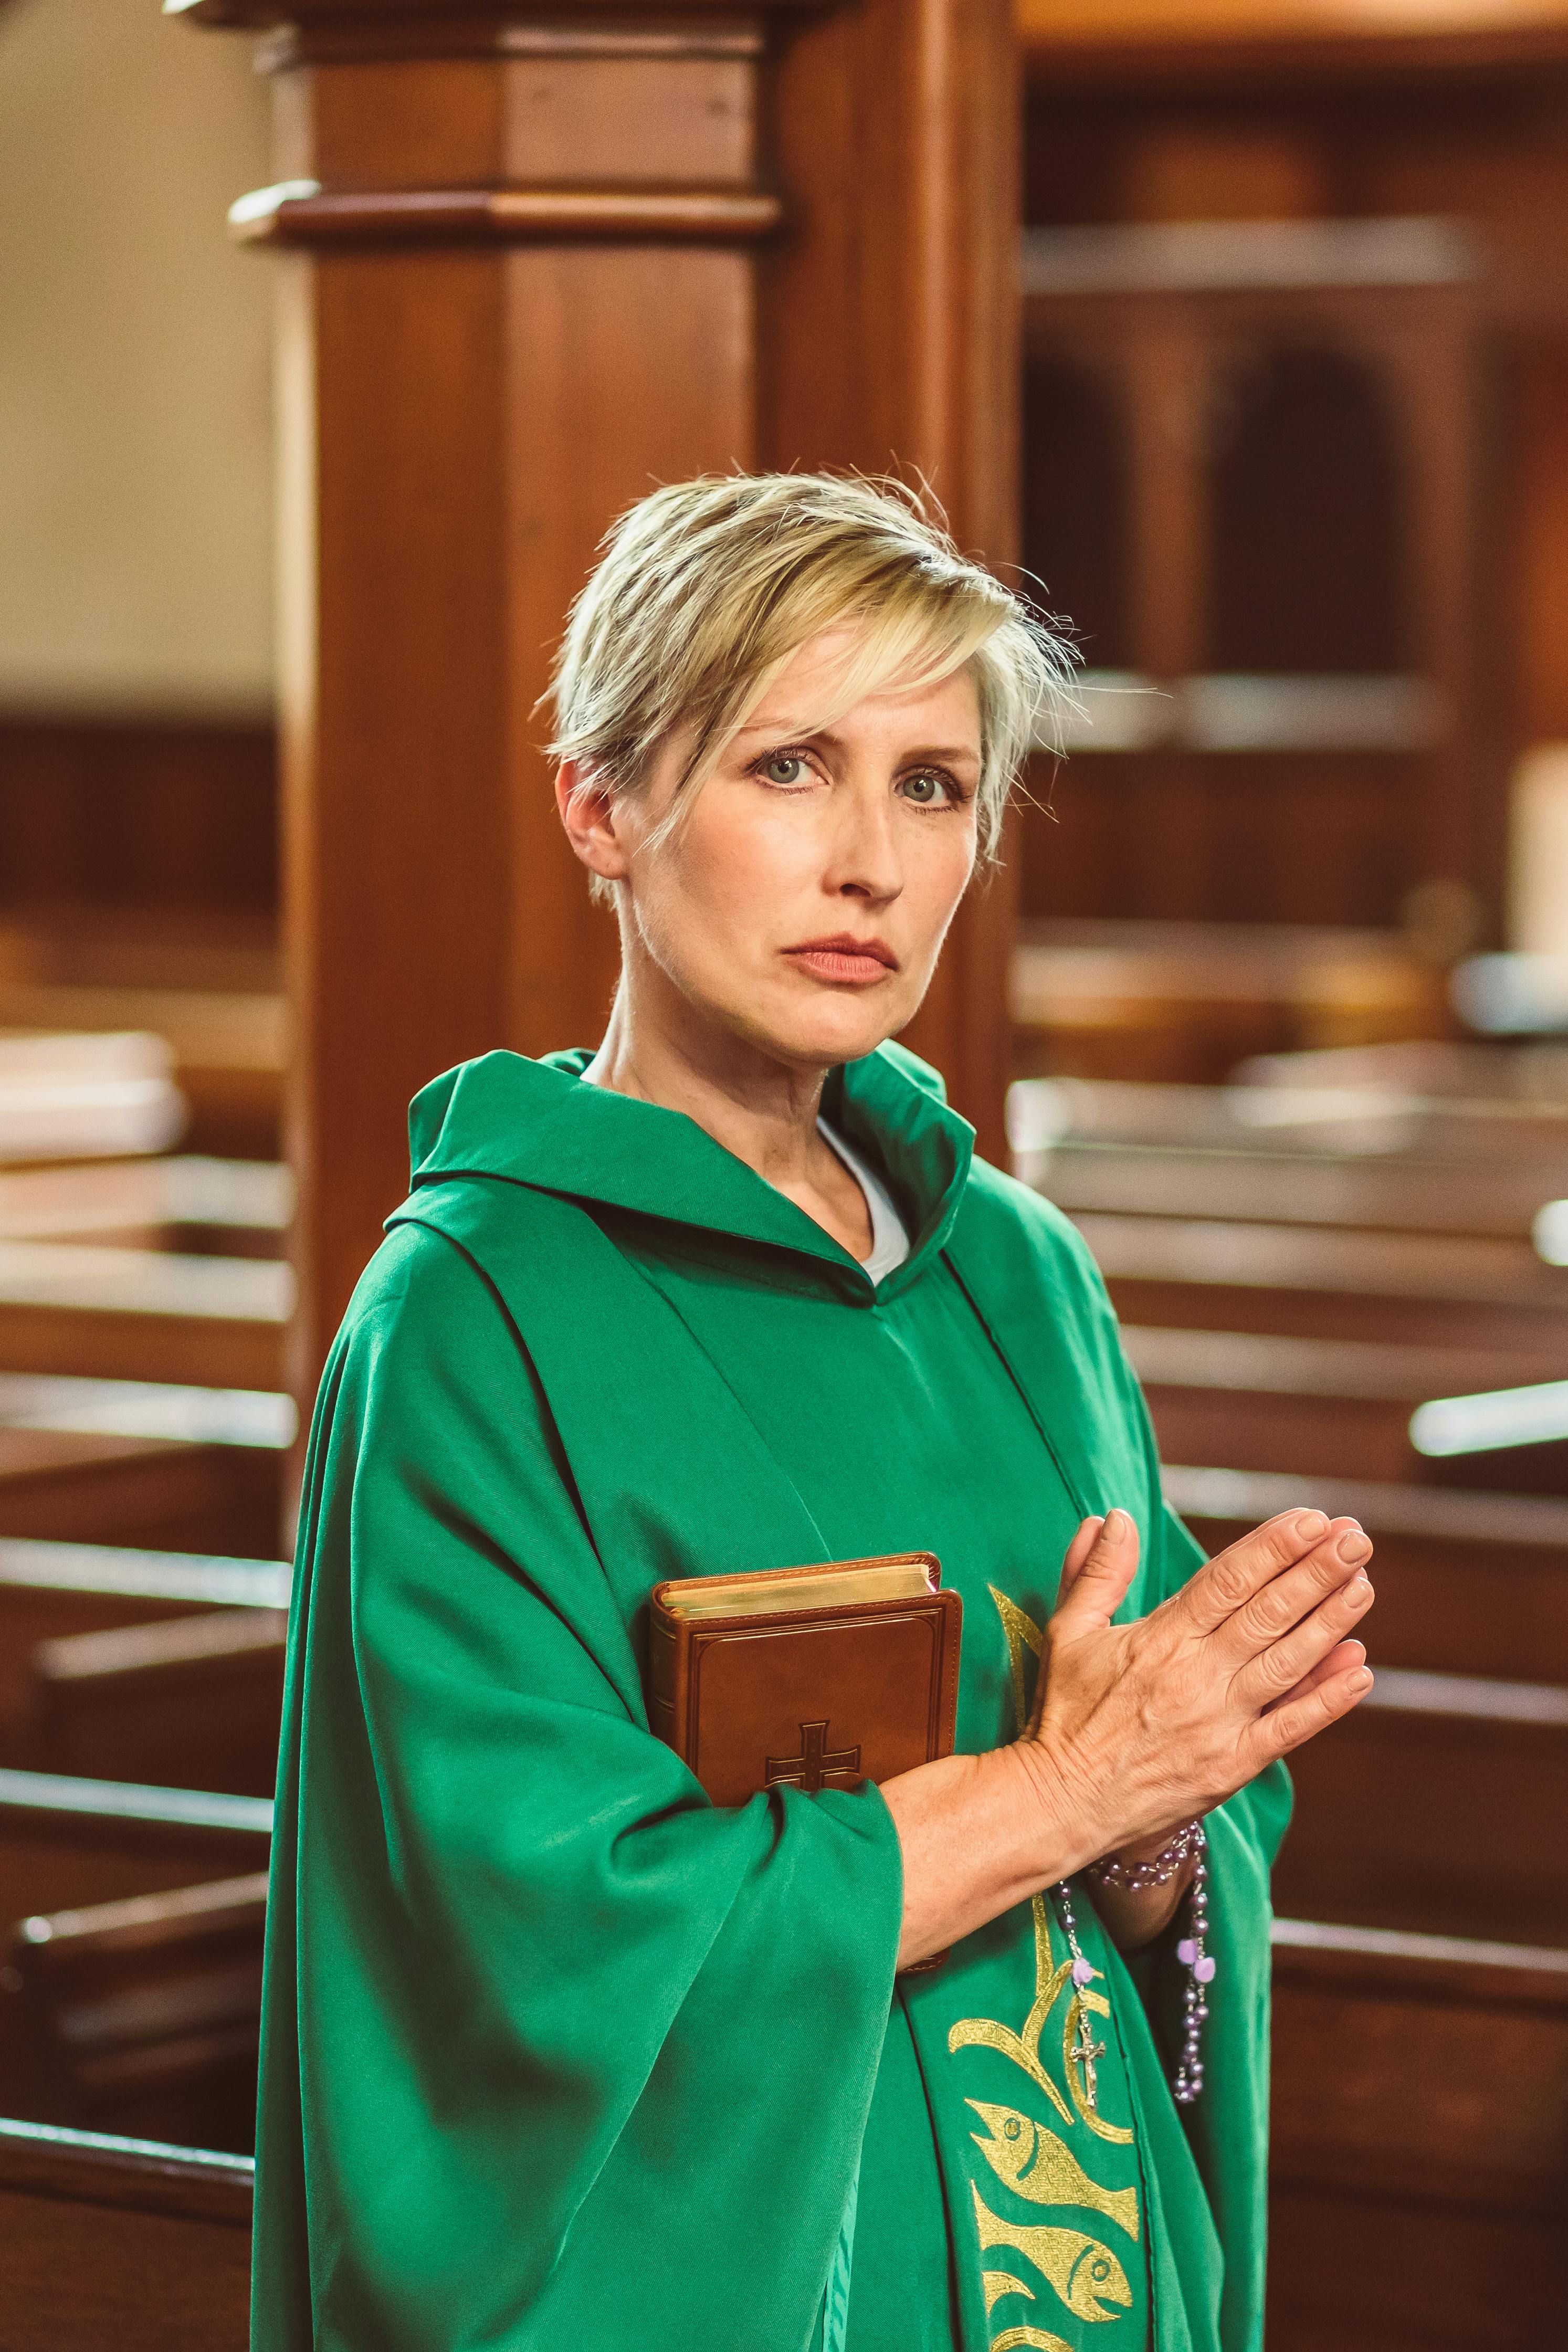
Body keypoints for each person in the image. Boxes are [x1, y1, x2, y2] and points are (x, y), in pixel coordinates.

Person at [252, 474, 1376, 2352]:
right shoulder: (472, 1315)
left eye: (930, 787)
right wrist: (1065, 1786)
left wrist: (1161, 1826)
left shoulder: (1013, 1270)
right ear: (602, 805)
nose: (869, 861)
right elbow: (533, 1942)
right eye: (789, 766)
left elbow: (1177, 1836)